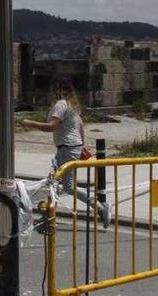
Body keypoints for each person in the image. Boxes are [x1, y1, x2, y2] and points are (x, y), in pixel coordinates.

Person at [20, 80, 110, 227]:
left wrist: (30, 123)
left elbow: (51, 127)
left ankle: (100, 207)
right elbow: (81, 128)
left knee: (65, 185)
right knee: (54, 182)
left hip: (66, 148)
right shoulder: (72, 106)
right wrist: (81, 147)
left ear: (56, 90)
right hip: (71, 148)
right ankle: (49, 215)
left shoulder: (61, 104)